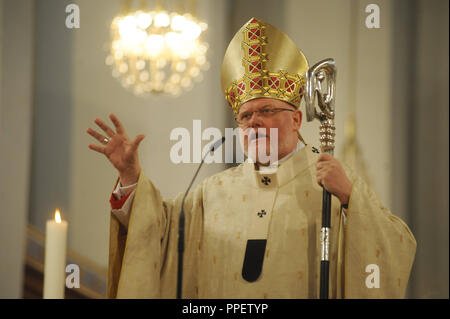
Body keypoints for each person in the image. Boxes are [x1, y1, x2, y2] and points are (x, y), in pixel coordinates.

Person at [87, 18, 416, 298]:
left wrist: (350, 199)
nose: (254, 122)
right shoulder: (210, 192)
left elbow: (396, 245)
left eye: (267, 111)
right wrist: (131, 176)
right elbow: (158, 233)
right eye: (245, 116)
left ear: (297, 120)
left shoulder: (332, 185)